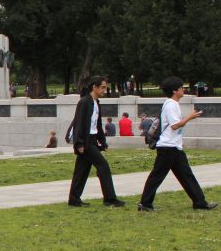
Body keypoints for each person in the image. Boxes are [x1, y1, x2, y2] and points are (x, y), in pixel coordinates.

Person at [137, 77, 218, 212]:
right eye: (181, 88)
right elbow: (175, 125)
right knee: (157, 176)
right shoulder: (171, 105)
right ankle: (145, 204)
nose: (183, 90)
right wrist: (190, 117)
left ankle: (199, 202)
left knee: (186, 175)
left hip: (173, 147)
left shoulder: (171, 104)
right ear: (175, 91)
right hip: (168, 147)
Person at [68, 76, 126, 208]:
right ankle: (110, 199)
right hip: (86, 141)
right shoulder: (84, 102)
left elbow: (97, 125)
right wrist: (79, 143)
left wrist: (102, 141)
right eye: (103, 87)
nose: (105, 90)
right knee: (103, 166)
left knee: (81, 171)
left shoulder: (96, 102)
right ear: (94, 87)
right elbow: (79, 123)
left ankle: (74, 199)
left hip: (92, 140)